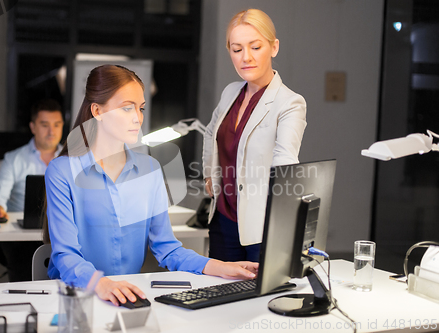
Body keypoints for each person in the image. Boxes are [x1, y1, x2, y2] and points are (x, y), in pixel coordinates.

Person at [44, 64, 258, 306]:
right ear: (97, 111)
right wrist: (101, 284)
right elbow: (66, 255)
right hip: (77, 298)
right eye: (127, 108)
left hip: (128, 298)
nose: (137, 117)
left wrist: (221, 267)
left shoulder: (150, 170)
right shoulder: (62, 171)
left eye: (140, 108)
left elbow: (167, 249)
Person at [202, 9, 307, 262]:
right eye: (237, 50)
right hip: (223, 218)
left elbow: (285, 162)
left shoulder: (290, 102)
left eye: (255, 47)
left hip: (261, 225)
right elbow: (210, 131)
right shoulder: (230, 92)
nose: (245, 57)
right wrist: (209, 174)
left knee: (258, 299)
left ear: (274, 47)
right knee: (219, 295)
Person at [0, 98, 64, 281]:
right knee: (25, 264)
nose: (52, 131)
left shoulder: (72, 159)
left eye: (57, 125)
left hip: (60, 229)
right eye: (44, 125)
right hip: (22, 238)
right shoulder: (14, 159)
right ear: (33, 127)